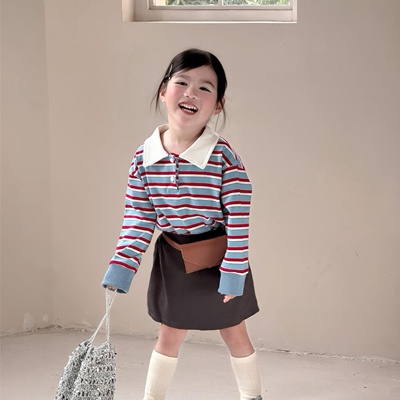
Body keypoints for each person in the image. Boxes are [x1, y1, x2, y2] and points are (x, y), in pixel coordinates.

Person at [102, 48, 262, 400]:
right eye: (182, 82)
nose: (192, 93)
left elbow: (239, 218)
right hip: (173, 258)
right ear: (164, 91)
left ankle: (252, 396)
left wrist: (234, 272)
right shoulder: (143, 158)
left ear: (217, 105)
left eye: (205, 88)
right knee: (169, 333)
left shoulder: (223, 157)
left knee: (234, 330)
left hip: (219, 258)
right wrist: (122, 268)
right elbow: (138, 217)